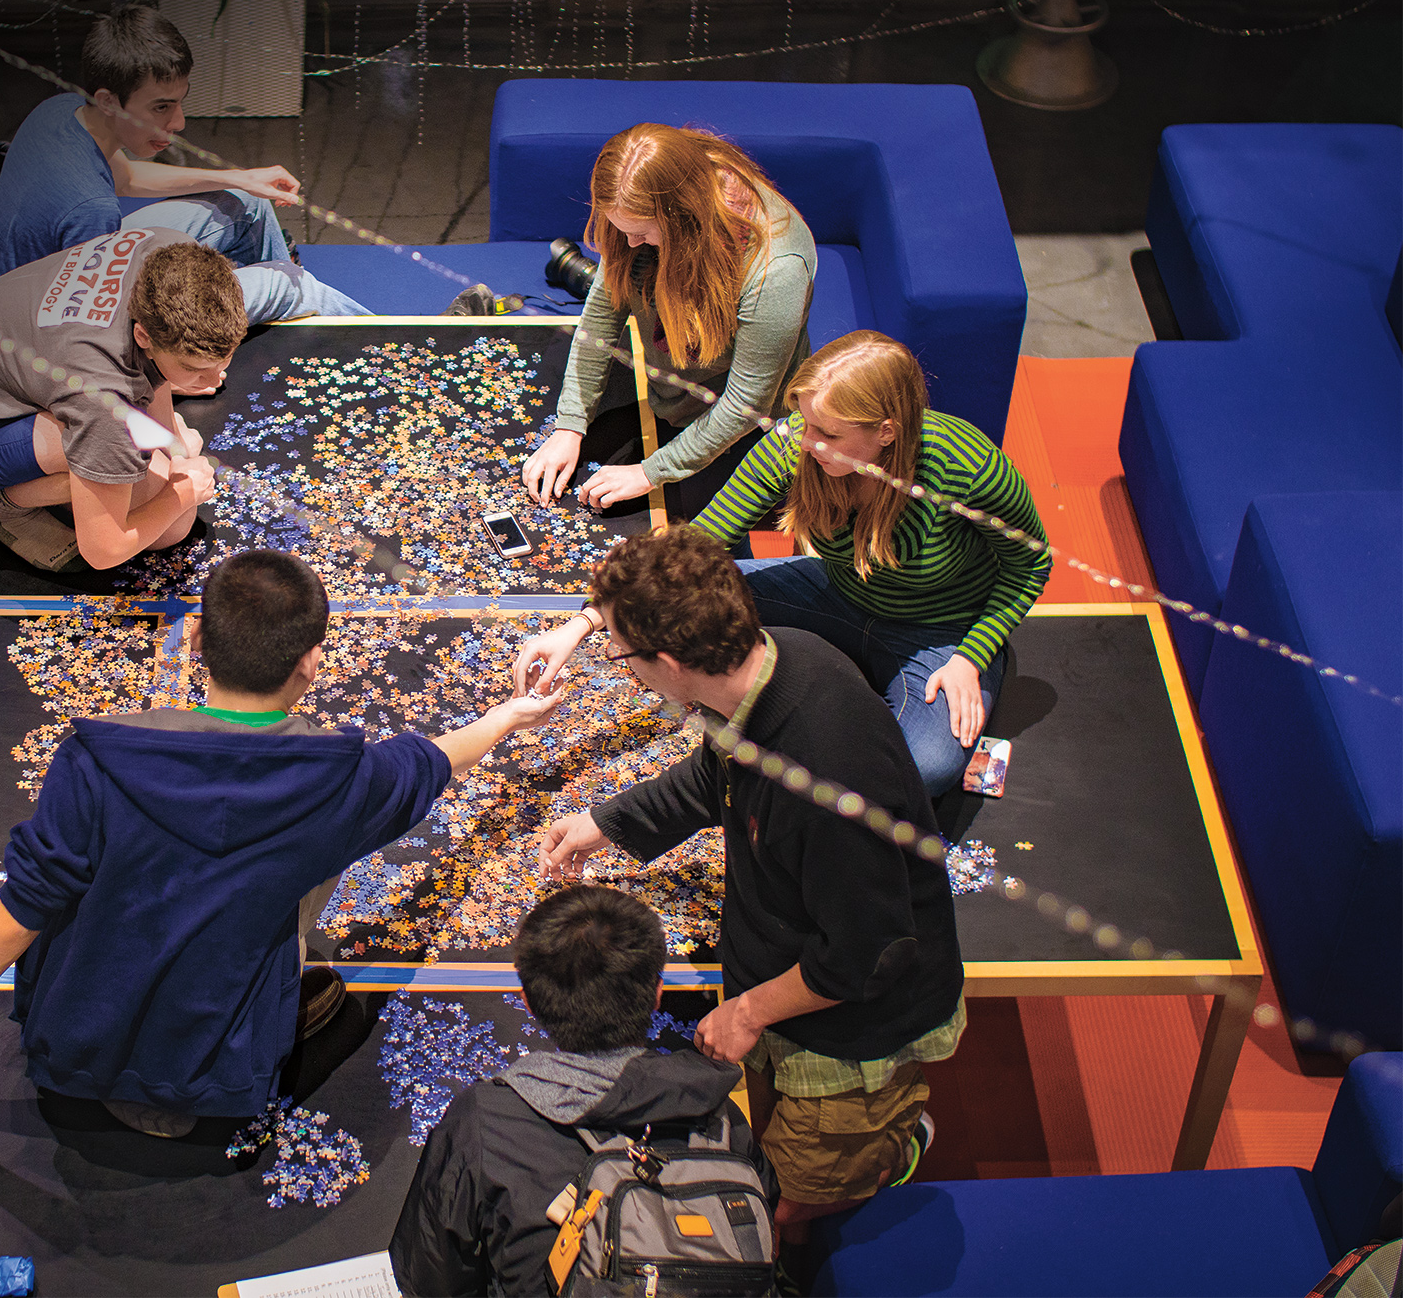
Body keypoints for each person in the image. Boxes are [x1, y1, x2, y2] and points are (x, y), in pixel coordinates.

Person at [0, 549, 566, 1138]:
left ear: (196, 640)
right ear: (311, 664)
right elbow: (429, 761)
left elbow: (23, 904)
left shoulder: (96, 758)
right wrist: (511, 713)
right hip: (222, 1058)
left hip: (77, 1032)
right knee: (323, 861)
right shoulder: (338, 778)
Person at [535, 527, 963, 1269]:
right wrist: (605, 822)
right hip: (790, 964)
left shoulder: (827, 772)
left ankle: (889, 1146)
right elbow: (713, 777)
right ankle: (855, 1144)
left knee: (787, 1213)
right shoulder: (772, 662)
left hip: (856, 1027)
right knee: (767, 1147)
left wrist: (747, 1010)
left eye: (619, 652)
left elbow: (869, 954)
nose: (619, 667)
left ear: (667, 662)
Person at [516, 330, 1050, 797]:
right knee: (672, 607)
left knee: (924, 770)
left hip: (940, 633)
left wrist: (970, 657)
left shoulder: (967, 465)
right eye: (805, 422)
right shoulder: (795, 443)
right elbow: (691, 550)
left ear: (886, 431)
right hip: (834, 593)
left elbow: (1030, 566)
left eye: (829, 434)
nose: (806, 441)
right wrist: (585, 622)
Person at [388, 886, 776, 1296]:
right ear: (658, 992)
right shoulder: (720, 1111)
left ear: (527, 1003)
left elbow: (427, 1276)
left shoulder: (486, 1121)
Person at [0, 5, 370, 322]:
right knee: (290, 283)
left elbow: (128, 176)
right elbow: (92, 331)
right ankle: (401, 347)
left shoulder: (60, 110)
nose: (178, 123)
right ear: (108, 100)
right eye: (161, 107)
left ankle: (265, 324)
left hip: (48, 281)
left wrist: (242, 178)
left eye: (179, 102)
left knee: (246, 203)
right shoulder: (91, 212)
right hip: (39, 319)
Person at [0, 232, 236, 572]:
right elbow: (103, 550)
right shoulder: (103, 398)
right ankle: (3, 503)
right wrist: (182, 493)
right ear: (143, 335)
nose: (215, 379)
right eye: (195, 369)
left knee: (171, 451)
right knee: (172, 526)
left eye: (225, 360)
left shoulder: (168, 251)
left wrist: (172, 446)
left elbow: (150, 377)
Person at [521, 124, 817, 514]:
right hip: (667, 380)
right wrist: (569, 426)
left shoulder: (776, 272)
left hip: (742, 420)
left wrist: (649, 473)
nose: (628, 244)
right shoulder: (645, 196)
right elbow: (599, 323)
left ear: (683, 218)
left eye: (641, 232)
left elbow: (745, 403)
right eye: (620, 229)